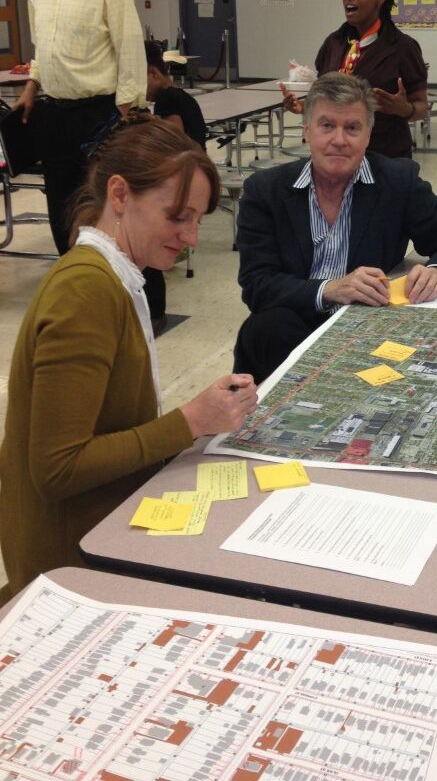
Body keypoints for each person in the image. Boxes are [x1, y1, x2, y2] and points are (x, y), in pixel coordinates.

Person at [0, 116, 258, 601]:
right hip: (70, 558)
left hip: (96, 527)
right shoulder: (86, 290)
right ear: (119, 195)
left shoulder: (113, 275)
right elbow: (57, 469)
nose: (191, 238)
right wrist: (190, 421)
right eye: (177, 217)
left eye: (197, 221)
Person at [234, 73, 437, 383]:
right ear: (306, 130)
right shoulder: (265, 191)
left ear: (368, 135)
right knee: (267, 328)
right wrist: (331, 289)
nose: (339, 139)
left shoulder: (397, 181)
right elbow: (257, 284)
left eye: (352, 128)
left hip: (369, 326)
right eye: (327, 125)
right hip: (291, 325)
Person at [13, 0, 146, 255]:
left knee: (108, 204)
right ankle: (73, 271)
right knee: (61, 204)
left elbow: (130, 50)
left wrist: (125, 116)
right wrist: (31, 85)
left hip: (100, 115)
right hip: (54, 115)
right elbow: (42, 45)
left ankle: (127, 281)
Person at [284, 0, 428, 158]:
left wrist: (405, 109)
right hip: (335, 152)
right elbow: (325, 94)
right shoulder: (333, 42)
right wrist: (305, 107)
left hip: (384, 155)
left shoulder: (402, 47)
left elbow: (421, 107)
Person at [143, 41, 209, 332]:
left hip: (185, 176)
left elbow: (172, 142)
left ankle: (154, 311)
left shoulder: (167, 100)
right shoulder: (182, 96)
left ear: (153, 73)